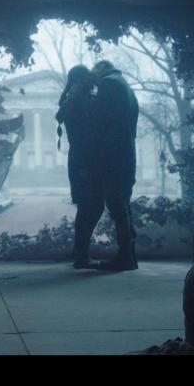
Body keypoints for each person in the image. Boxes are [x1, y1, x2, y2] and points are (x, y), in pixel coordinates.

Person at [90, 60, 139, 271]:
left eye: (93, 73)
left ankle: (125, 257)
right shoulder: (125, 85)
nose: (92, 79)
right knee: (123, 206)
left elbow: (99, 119)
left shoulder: (108, 83)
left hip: (114, 154)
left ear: (101, 68)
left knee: (117, 206)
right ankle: (129, 256)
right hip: (126, 152)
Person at [55, 65, 103, 268]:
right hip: (84, 161)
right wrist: (85, 167)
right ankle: (81, 254)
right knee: (91, 206)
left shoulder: (73, 101)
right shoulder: (78, 102)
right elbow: (83, 137)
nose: (93, 81)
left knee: (88, 207)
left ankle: (80, 252)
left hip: (81, 160)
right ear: (81, 81)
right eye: (89, 78)